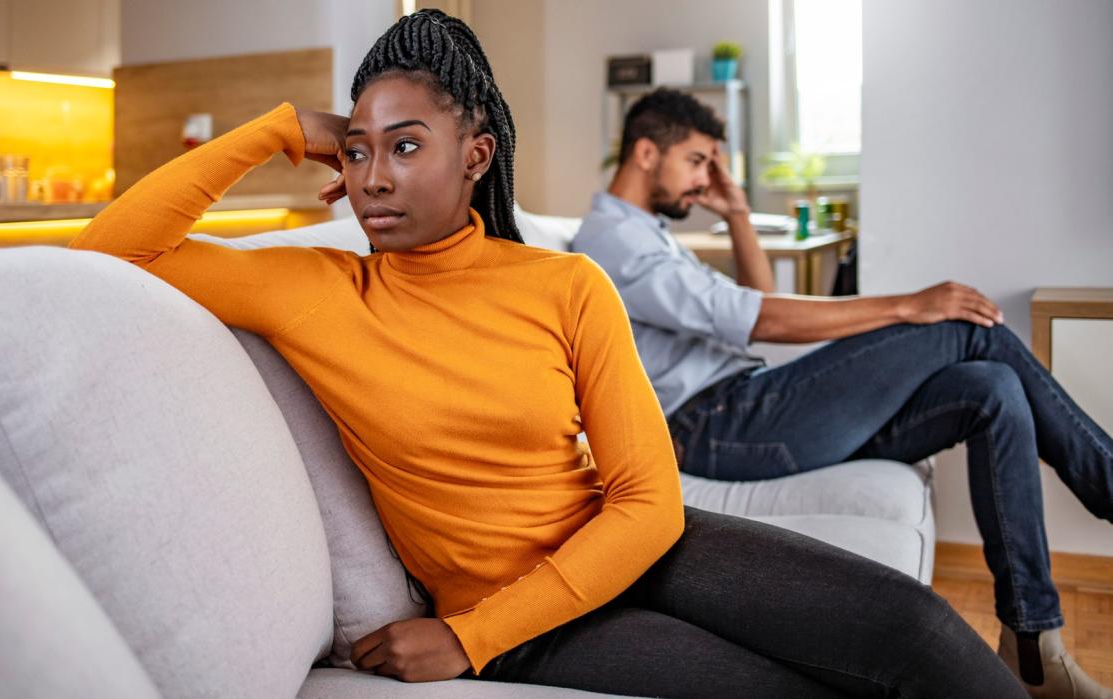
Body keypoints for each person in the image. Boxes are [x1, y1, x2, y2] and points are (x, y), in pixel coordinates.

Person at [71, 11, 1026, 698]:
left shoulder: (563, 285)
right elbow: (106, 256)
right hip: (528, 616)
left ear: (476, 155)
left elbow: (648, 501)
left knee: (914, 626)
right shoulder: (318, 289)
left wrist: (465, 640)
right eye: (356, 152)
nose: (371, 179)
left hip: (638, 548)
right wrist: (278, 128)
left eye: (406, 147)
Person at [571, 87, 1113, 699]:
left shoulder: (651, 235)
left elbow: (754, 293)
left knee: (989, 388)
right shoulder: (609, 240)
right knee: (962, 327)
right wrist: (907, 305)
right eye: (697, 161)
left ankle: (1033, 645)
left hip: (746, 403)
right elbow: (756, 318)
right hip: (717, 424)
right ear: (647, 152)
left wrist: (738, 215)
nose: (705, 179)